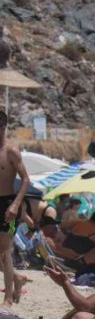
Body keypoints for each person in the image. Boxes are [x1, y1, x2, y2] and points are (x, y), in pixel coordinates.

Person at [0, 110, 30, 307]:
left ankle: (8, 298)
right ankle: (17, 278)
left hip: (9, 205)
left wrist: (16, 204)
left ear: (3, 127)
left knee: (5, 250)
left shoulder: (10, 151)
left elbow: (26, 179)